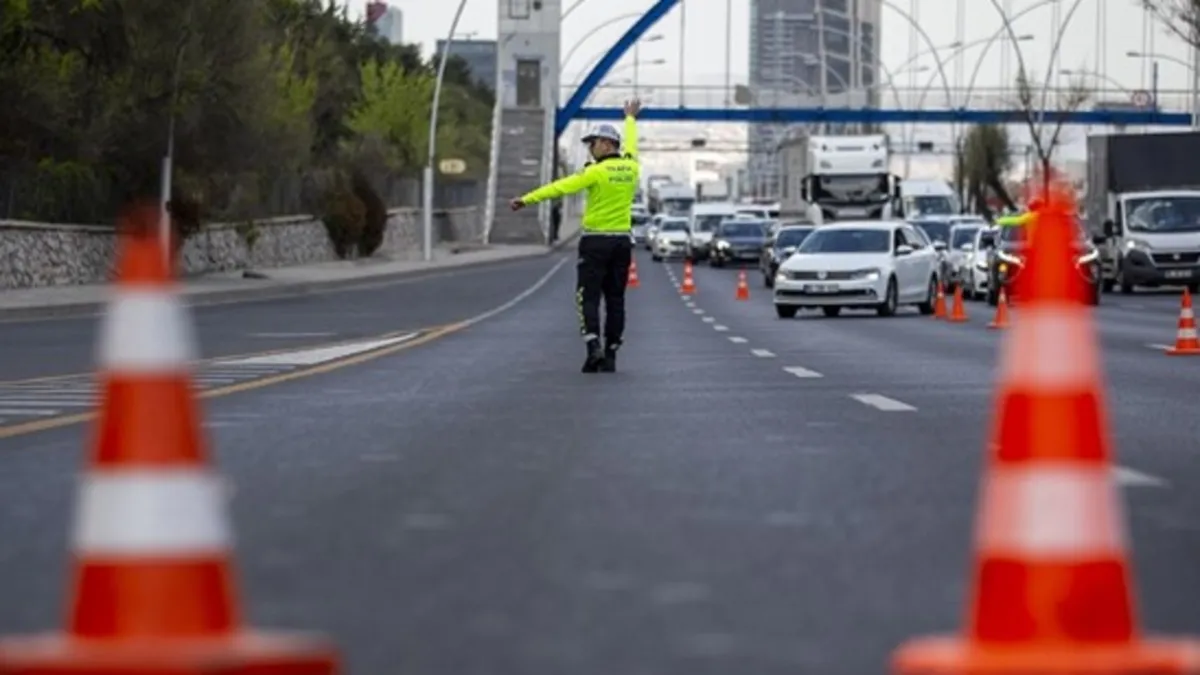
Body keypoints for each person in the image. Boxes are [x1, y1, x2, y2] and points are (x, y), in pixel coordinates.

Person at [511, 99, 642, 373]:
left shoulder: (594, 172)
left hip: (595, 242)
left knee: (588, 296)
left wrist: (526, 199)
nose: (590, 148)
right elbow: (632, 144)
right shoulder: (631, 168)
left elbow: (560, 188)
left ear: (606, 144)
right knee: (616, 298)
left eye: (593, 143)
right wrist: (630, 118)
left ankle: (593, 345)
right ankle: (612, 353)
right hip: (621, 242)